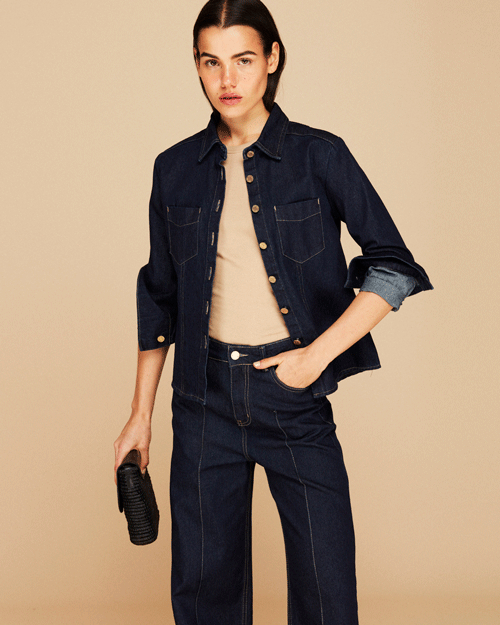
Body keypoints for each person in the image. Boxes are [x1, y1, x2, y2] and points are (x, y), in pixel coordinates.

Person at [114, 1, 432, 623]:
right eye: (211, 62)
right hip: (202, 399)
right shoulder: (173, 169)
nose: (227, 79)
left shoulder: (320, 155)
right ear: (197, 66)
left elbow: (394, 267)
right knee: (205, 594)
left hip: (291, 394)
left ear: (272, 59)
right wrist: (139, 416)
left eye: (243, 60)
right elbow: (160, 295)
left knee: (325, 589)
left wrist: (314, 359)